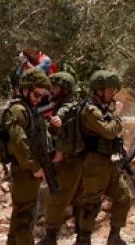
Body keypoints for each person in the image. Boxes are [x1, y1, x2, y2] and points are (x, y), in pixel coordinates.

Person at [74, 70, 131, 245]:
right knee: (91, 203)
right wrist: (118, 114)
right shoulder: (90, 110)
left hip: (109, 161)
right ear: (99, 90)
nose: (113, 93)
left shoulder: (102, 108)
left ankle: (114, 237)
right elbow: (108, 131)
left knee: (123, 196)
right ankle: (83, 239)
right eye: (110, 90)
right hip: (94, 162)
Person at [0, 68, 52, 245]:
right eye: (36, 95)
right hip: (24, 169)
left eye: (42, 96)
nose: (39, 99)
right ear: (26, 90)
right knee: (25, 217)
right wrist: (34, 167)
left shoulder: (30, 109)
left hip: (31, 168)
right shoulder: (18, 110)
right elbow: (18, 142)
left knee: (22, 212)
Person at [41, 72, 84, 245]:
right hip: (76, 160)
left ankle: (50, 237)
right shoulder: (74, 106)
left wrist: (57, 156)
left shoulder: (65, 108)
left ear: (64, 90)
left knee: (57, 196)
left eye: (55, 87)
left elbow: (62, 129)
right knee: (78, 198)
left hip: (66, 161)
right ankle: (82, 237)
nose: (51, 90)